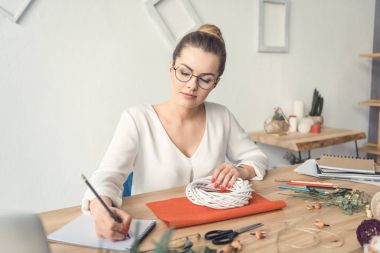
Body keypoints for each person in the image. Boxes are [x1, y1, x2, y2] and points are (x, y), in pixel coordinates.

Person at [82, 24, 268, 241]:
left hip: (212, 233)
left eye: (205, 79)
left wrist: (240, 171)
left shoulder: (221, 116)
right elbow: (107, 176)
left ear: (215, 83)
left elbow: (257, 158)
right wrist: (100, 209)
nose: (191, 85)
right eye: (184, 72)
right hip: (157, 237)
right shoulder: (137, 119)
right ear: (171, 68)